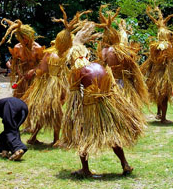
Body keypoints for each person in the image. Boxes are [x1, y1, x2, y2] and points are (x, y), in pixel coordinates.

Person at [58, 21, 146, 177]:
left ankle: (85, 170)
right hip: (107, 107)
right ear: (85, 56)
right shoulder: (98, 66)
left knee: (82, 136)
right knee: (111, 134)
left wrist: (73, 118)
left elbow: (75, 99)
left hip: (90, 108)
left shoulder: (77, 72)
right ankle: (125, 164)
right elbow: (112, 89)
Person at [21, 5, 89, 145]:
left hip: (47, 85)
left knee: (48, 111)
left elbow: (42, 70)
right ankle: (55, 139)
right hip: (57, 86)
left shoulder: (49, 53)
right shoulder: (67, 55)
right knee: (55, 111)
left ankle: (35, 136)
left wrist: (38, 78)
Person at [96, 5, 148, 110]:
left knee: (113, 106)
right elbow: (130, 64)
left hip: (109, 82)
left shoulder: (103, 52)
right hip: (121, 81)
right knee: (125, 106)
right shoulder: (119, 50)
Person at [141, 6, 173, 124]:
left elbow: (151, 60)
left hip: (156, 74)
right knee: (164, 95)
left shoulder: (154, 47)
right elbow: (170, 61)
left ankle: (159, 113)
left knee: (158, 93)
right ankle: (163, 118)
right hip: (164, 74)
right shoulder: (168, 47)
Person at [0, 19, 44, 98]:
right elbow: (14, 63)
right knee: (20, 99)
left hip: (34, 78)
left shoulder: (37, 48)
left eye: (25, 38)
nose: (23, 40)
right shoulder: (17, 47)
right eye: (21, 38)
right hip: (22, 78)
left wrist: (33, 70)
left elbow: (43, 63)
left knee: (32, 100)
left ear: (30, 36)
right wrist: (18, 71)